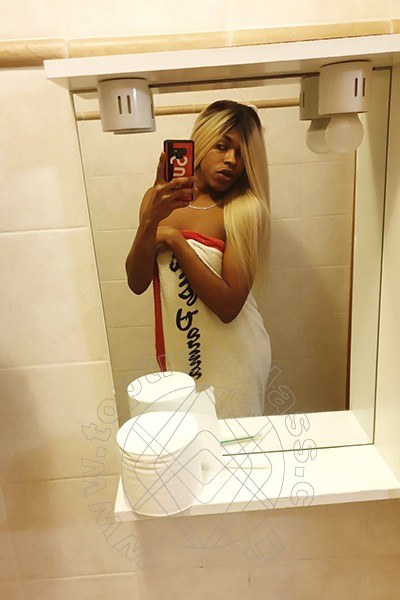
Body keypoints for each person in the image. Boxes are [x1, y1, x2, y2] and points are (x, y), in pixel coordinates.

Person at [125, 100, 271, 418]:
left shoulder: (244, 209)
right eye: (222, 146)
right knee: (190, 435)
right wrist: (150, 221)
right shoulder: (157, 200)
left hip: (236, 354)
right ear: (201, 142)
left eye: (242, 154)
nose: (232, 160)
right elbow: (137, 282)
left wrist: (175, 240)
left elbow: (229, 307)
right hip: (186, 350)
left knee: (236, 440)